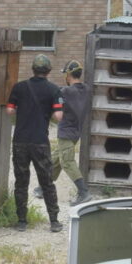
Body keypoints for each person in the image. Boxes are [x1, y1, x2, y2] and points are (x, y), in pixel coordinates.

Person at [6, 53, 62, 232]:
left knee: (21, 182)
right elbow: (58, 116)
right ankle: (54, 221)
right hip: (40, 142)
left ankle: (22, 221)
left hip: (20, 141)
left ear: (33, 69)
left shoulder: (19, 87)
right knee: (47, 182)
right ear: (48, 71)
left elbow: (9, 111)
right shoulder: (54, 90)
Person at [49, 60, 91, 206]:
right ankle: (44, 187)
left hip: (65, 131)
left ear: (68, 75)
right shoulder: (86, 89)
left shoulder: (65, 92)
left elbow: (54, 101)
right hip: (76, 132)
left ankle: (84, 192)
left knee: (67, 161)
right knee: (56, 158)